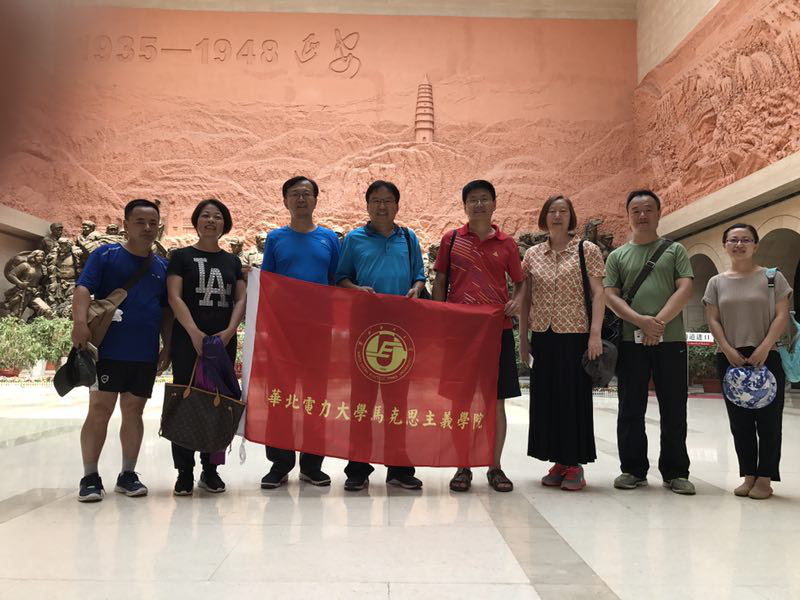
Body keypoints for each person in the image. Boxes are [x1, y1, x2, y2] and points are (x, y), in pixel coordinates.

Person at [72, 199, 172, 502]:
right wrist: (79, 324)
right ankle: (90, 476)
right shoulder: (106, 255)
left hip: (143, 352)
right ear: (126, 224)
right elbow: (83, 289)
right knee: (99, 410)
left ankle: (128, 474)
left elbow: (166, 311)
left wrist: (167, 346)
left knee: (133, 412)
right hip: (106, 349)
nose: (147, 228)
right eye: (140, 222)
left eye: (152, 223)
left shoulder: (162, 266)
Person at [432, 179, 524, 493]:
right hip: (460, 333)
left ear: (494, 204)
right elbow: (441, 279)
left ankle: (494, 467)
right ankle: (463, 466)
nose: (479, 204)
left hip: (497, 331)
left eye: (485, 198)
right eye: (473, 199)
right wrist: (438, 316)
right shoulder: (451, 240)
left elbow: (520, 281)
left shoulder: (507, 243)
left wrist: (517, 300)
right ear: (465, 205)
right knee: (460, 402)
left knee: (496, 402)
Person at [336, 180, 427, 491]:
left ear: (397, 205)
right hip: (364, 331)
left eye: (388, 200)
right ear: (367, 205)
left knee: (397, 401)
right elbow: (341, 278)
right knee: (361, 399)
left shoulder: (409, 237)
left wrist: (416, 288)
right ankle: (357, 468)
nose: (382, 206)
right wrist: (356, 289)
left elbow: (419, 276)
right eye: (376, 200)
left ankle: (399, 467)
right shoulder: (354, 239)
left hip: (401, 332)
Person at [604, 189, 695, 495]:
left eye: (648, 209)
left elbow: (685, 288)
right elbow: (611, 296)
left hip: (671, 341)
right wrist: (641, 322)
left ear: (658, 213)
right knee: (630, 406)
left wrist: (658, 324)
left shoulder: (675, 250)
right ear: (628, 215)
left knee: (674, 406)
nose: (642, 215)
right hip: (631, 342)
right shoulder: (617, 256)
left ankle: (676, 472)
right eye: (636, 210)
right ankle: (632, 469)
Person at [519, 195, 605, 491]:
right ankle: (558, 460)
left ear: (571, 216)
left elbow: (598, 294)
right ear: (544, 217)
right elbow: (525, 298)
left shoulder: (586, 250)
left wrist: (595, 334)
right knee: (546, 399)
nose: (557, 216)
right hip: (542, 336)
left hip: (575, 334)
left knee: (572, 398)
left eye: (563, 211)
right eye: (552, 211)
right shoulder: (533, 254)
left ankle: (574, 464)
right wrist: (523, 339)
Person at [260, 176, 341, 489]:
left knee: (316, 397)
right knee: (280, 397)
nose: (301, 199)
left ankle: (312, 465)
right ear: (285, 201)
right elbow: (267, 283)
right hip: (283, 332)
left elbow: (335, 281)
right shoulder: (275, 239)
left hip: (319, 332)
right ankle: (280, 464)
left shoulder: (330, 239)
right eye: (295, 194)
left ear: (316, 200)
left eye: (307, 194)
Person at [704, 223, 791, 500]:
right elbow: (713, 319)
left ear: (755, 245)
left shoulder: (772, 277)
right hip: (730, 357)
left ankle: (765, 477)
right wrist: (727, 349)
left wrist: (765, 347)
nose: (739, 244)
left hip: (767, 354)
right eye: (733, 240)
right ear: (725, 245)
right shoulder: (716, 282)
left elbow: (782, 315)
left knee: (769, 421)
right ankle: (748, 475)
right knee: (739, 422)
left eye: (745, 240)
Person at [167, 198, 246, 496]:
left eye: (217, 216)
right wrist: (193, 333)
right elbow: (175, 297)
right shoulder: (181, 257)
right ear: (196, 221)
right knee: (184, 399)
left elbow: (241, 298)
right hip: (188, 341)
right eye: (205, 216)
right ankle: (184, 471)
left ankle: (210, 470)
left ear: (225, 224)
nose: (211, 221)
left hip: (222, 341)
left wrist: (229, 331)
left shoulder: (233, 262)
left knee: (219, 401)